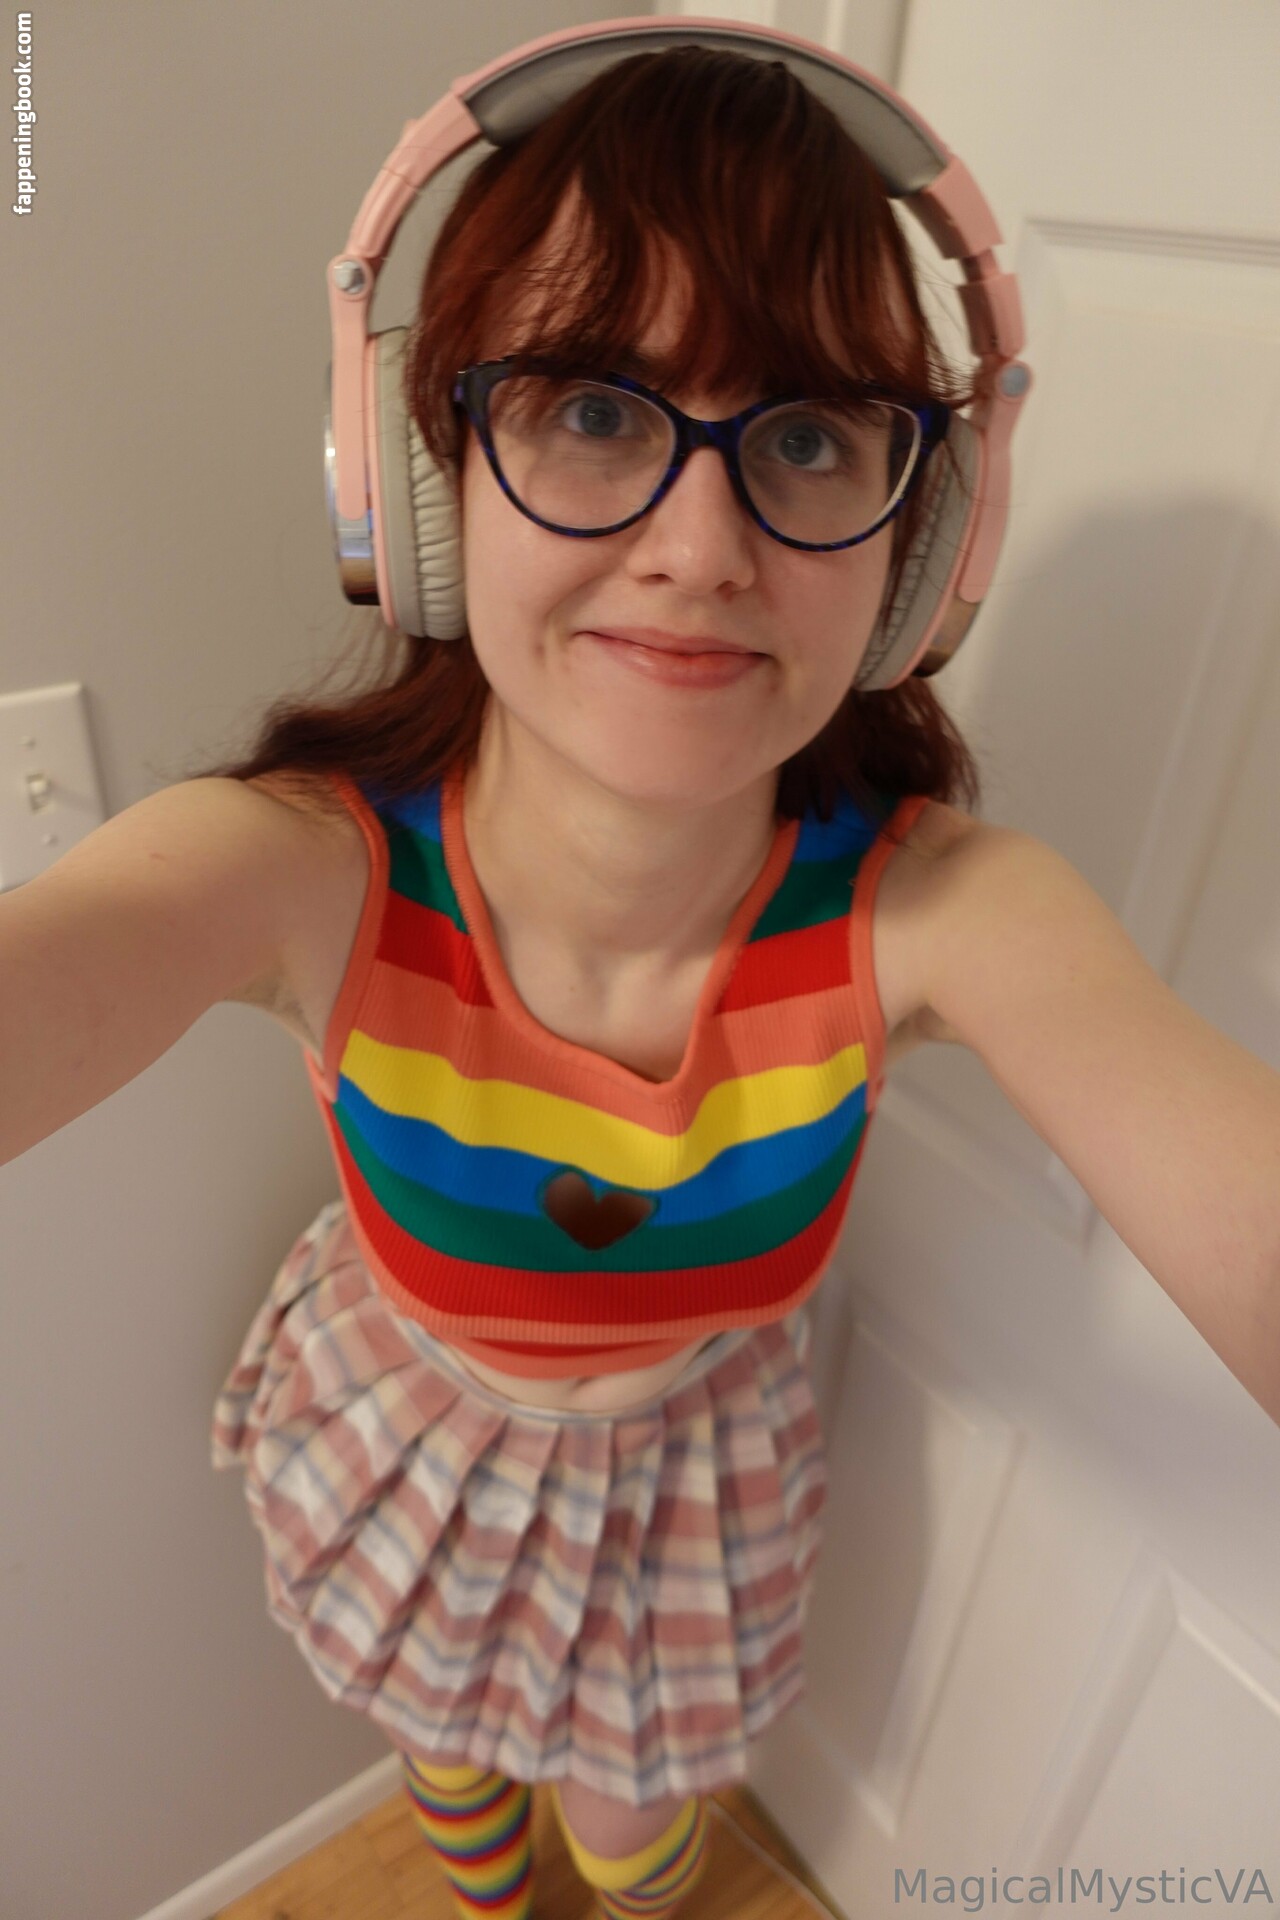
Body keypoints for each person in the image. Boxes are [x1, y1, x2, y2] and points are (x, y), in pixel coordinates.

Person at [4, 39, 1277, 1920]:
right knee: (448, 1758)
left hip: (695, 1473)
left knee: (629, 1826)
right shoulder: (300, 868)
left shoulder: (950, 914)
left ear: (922, 544)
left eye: (810, 436)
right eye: (596, 410)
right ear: (423, 481)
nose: (700, 548)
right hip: (411, 1434)